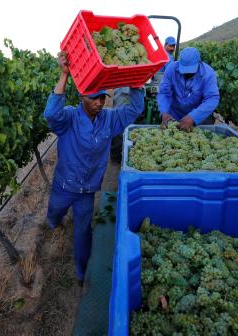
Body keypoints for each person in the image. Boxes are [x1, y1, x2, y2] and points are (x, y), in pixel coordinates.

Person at [44, 51, 144, 289]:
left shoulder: (109, 119)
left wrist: (136, 83)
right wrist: (64, 75)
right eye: (94, 99)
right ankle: (52, 223)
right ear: (82, 97)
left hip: (87, 189)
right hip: (65, 185)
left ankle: (81, 272)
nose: (100, 103)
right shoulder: (68, 117)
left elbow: (134, 111)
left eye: (102, 98)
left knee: (82, 231)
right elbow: (50, 114)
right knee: (55, 210)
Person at [157, 47, 220, 132]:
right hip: (174, 116)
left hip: (198, 117)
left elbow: (212, 98)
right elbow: (164, 93)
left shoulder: (208, 74)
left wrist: (193, 117)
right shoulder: (171, 69)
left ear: (199, 62)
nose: (187, 73)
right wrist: (164, 112)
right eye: (184, 70)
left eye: (190, 70)